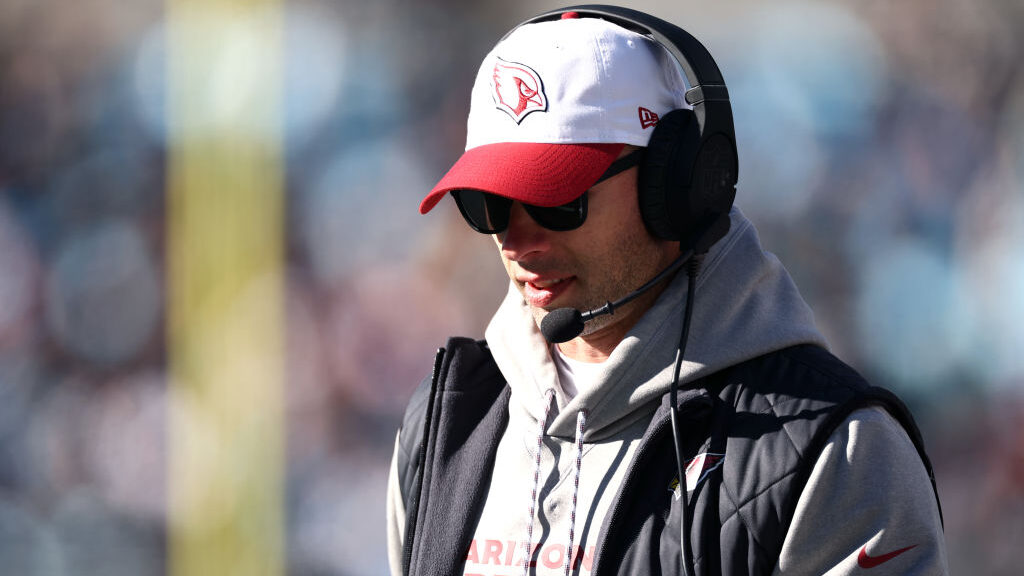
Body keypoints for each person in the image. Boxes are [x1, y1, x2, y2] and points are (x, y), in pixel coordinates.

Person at [386, 5, 947, 576]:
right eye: (488, 205)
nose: (517, 240)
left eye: (557, 200)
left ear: (676, 184)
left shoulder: (836, 450)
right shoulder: (445, 421)